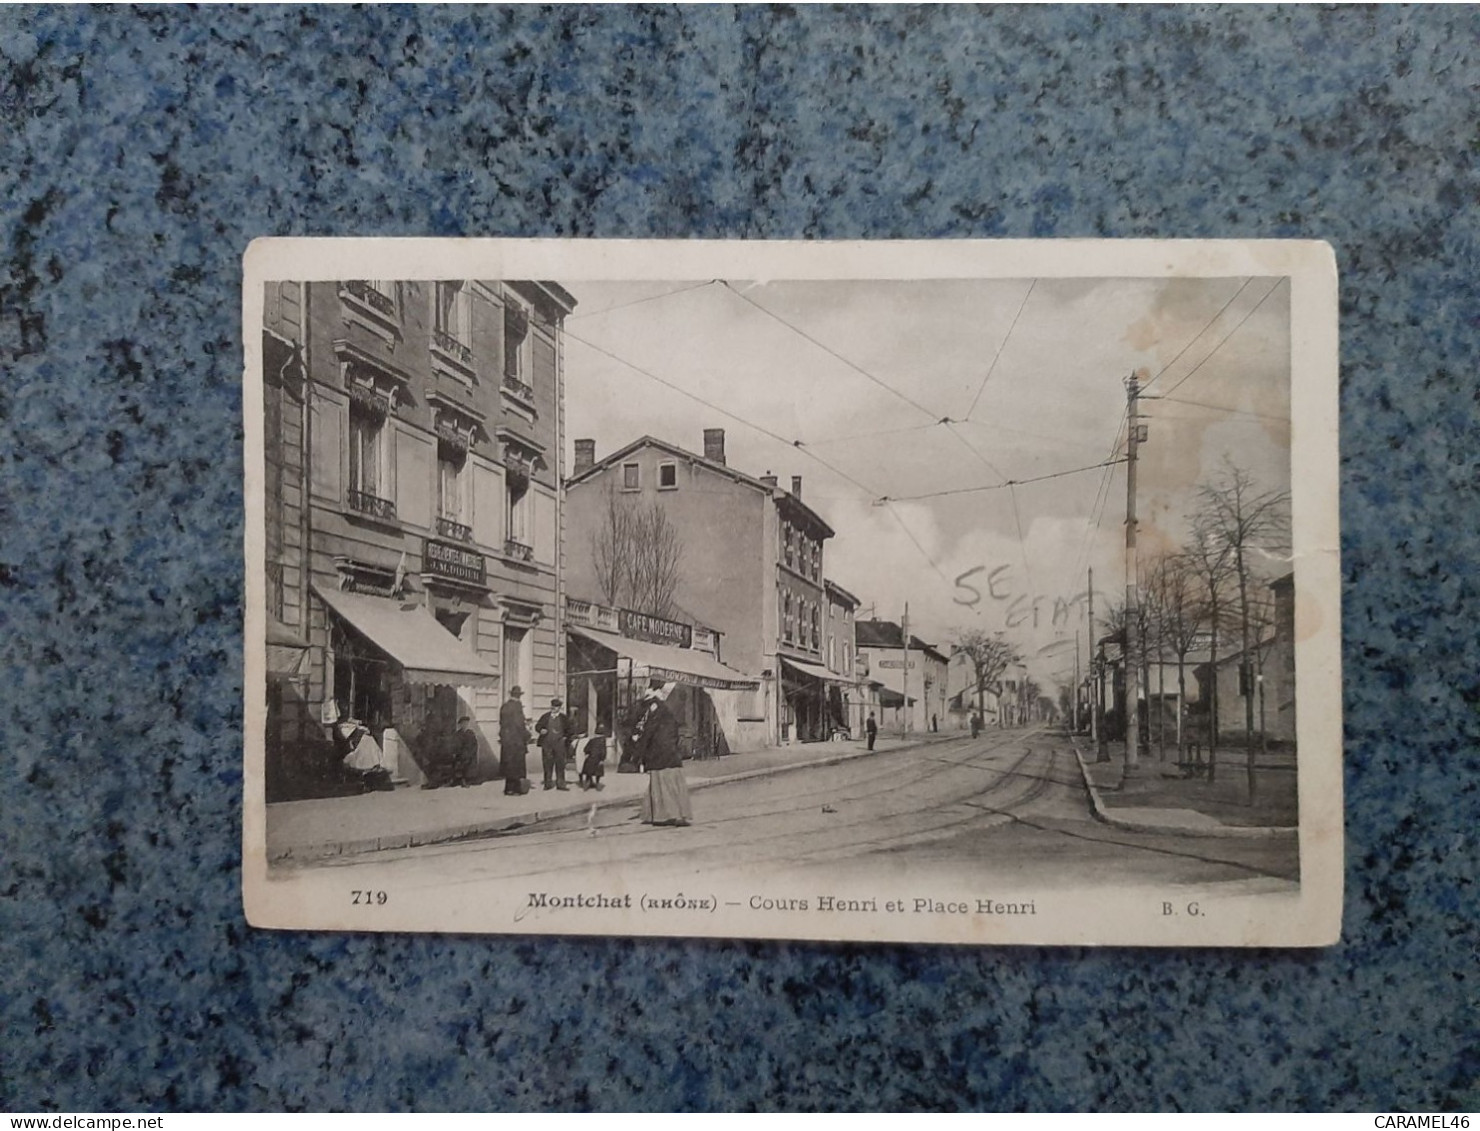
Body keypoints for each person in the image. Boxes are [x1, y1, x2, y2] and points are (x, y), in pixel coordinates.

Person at [633, 681, 691, 827]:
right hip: (670, 752)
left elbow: (648, 731)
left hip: (659, 753)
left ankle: (669, 815)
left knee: (662, 784)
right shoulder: (666, 708)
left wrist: (637, 754)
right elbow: (674, 731)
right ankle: (655, 814)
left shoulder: (654, 707)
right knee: (668, 784)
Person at [499, 686, 531, 796]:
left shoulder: (505, 706)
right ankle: (517, 789)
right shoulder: (517, 706)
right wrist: (527, 735)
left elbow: (502, 724)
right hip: (516, 741)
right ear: (518, 696)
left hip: (507, 741)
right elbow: (519, 724)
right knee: (517, 766)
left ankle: (508, 789)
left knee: (509, 766)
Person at [536, 697, 571, 791]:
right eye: (552, 706)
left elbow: (570, 729)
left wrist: (565, 738)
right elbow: (537, 726)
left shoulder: (564, 718)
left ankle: (561, 784)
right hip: (547, 743)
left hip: (559, 744)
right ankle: (548, 783)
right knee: (547, 763)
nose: (554, 708)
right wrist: (540, 730)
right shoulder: (545, 716)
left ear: (559, 707)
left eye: (556, 706)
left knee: (560, 764)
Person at [447, 713, 478, 788]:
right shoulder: (458, 734)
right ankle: (456, 780)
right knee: (458, 765)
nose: (464, 725)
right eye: (463, 723)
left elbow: (475, 744)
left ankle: (465, 781)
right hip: (460, 753)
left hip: (469, 753)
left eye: (466, 723)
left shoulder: (471, 733)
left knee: (468, 765)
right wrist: (455, 752)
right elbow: (455, 744)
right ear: (460, 724)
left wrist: (473, 752)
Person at [578, 726, 607, 791]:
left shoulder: (592, 740)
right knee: (598, 773)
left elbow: (586, 749)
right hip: (598, 760)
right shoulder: (602, 741)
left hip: (590, 759)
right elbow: (603, 751)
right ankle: (597, 784)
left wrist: (587, 754)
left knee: (589, 772)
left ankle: (587, 783)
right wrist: (602, 759)